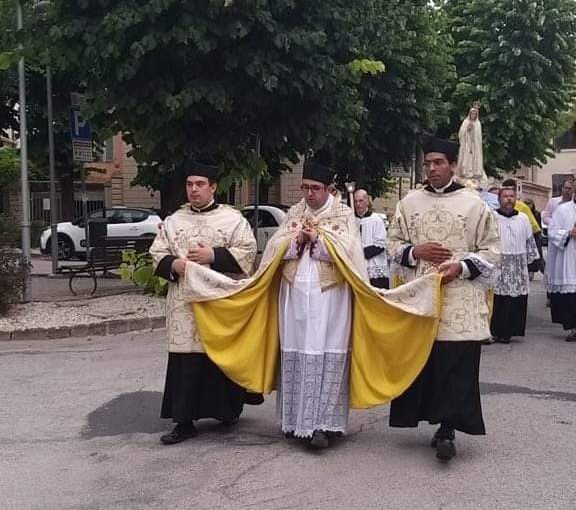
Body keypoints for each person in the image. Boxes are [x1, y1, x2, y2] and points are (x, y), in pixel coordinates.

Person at [178, 157, 444, 452]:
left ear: (329, 189)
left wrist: (319, 241)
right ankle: (296, 422)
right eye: (305, 188)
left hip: (332, 299)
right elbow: (275, 250)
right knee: (297, 352)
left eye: (315, 188)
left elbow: (351, 254)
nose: (309, 194)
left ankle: (325, 426)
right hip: (293, 298)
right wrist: (295, 242)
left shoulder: (343, 215)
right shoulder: (294, 211)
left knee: (326, 353)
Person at [387, 136, 500, 463]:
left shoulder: (475, 204)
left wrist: (461, 267)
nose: (432, 169)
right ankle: (429, 419)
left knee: (455, 365)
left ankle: (448, 429)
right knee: (428, 363)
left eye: (438, 163)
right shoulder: (409, 203)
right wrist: (415, 251)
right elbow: (393, 245)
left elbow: (493, 251)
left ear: (453, 165)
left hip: (460, 299)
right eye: (428, 163)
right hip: (421, 295)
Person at [149, 159, 258, 445]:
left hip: (218, 300)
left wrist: (213, 256)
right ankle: (183, 421)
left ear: (213, 187)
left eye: (199, 184)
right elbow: (157, 254)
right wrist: (176, 265)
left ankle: (226, 411)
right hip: (184, 301)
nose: (193, 190)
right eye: (189, 184)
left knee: (219, 355)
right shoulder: (173, 222)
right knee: (185, 358)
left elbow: (248, 251)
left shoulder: (233, 220)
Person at [489, 186, 538, 343]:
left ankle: (511, 330)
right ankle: (496, 331)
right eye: (505, 196)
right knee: (498, 298)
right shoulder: (492, 217)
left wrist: (532, 259)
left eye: (512, 196)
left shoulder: (523, 218)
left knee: (515, 298)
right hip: (498, 263)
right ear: (499, 199)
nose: (509, 199)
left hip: (517, 263)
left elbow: (530, 239)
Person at [547, 194, 576, 342]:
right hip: (569, 257)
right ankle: (573, 329)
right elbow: (552, 231)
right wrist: (569, 233)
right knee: (571, 297)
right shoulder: (562, 210)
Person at [544, 179, 574, 307]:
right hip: (564, 247)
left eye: (569, 188)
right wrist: (567, 232)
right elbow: (548, 221)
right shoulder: (557, 205)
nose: (567, 190)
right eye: (565, 188)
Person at [353, 189, 389, 288]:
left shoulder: (376, 220)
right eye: (355, 201)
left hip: (375, 268)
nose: (358, 204)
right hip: (357, 267)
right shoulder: (351, 220)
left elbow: (381, 244)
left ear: (367, 201)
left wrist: (360, 253)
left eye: (361, 201)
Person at [456, 102, 488, 185]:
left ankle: (475, 173)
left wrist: (473, 133)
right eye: (472, 113)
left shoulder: (478, 124)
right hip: (466, 145)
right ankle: (464, 173)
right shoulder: (465, 122)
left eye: (475, 114)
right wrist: (467, 130)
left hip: (475, 146)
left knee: (474, 159)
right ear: (469, 114)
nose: (473, 115)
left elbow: (478, 136)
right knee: (466, 158)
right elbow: (461, 134)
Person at [523, 198, 544, 280]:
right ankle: (528, 271)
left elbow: (538, 225)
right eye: (526, 204)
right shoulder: (522, 213)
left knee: (536, 254)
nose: (528, 206)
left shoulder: (536, 213)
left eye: (529, 204)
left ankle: (533, 271)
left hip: (535, 236)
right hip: (526, 236)